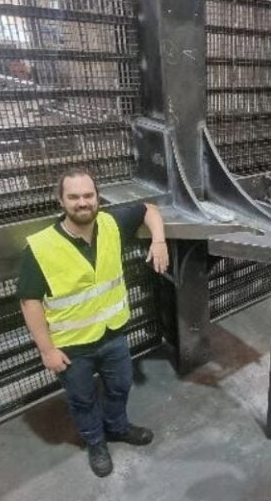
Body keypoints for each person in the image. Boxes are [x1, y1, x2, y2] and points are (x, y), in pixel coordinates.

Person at [18, 169, 169, 477]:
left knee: (120, 386)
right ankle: (96, 443)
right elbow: (29, 301)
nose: (82, 202)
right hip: (72, 347)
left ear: (98, 197)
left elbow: (149, 209)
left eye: (88, 195)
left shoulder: (111, 223)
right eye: (73, 197)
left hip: (113, 334)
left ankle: (117, 427)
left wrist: (160, 241)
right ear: (61, 201)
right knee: (82, 400)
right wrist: (47, 350)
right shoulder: (40, 247)